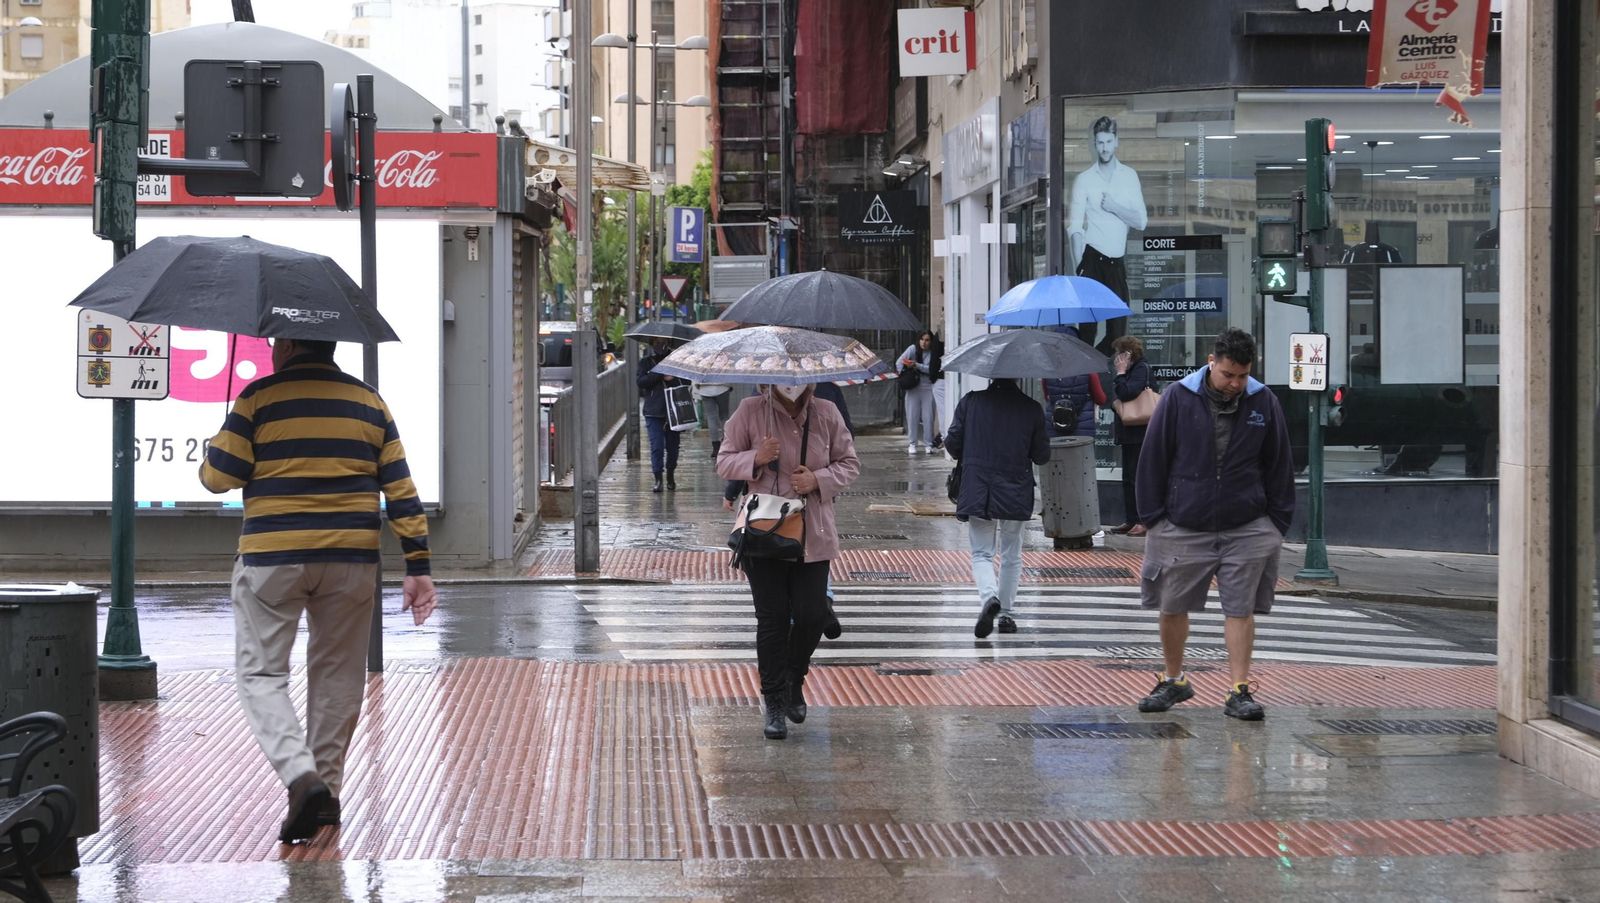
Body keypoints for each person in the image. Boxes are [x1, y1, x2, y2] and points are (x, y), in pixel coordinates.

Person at [198, 336, 436, 843]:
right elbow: (400, 490)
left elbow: (218, 477)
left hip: (273, 560)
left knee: (261, 674)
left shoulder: (257, 399)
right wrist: (417, 565)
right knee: (338, 678)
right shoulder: (370, 404)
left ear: (285, 344)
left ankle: (300, 776)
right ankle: (324, 795)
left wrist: (221, 439)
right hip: (351, 560)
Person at [1135, 328, 1294, 721]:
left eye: (1242, 376)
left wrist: (1275, 524)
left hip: (1247, 524)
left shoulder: (1264, 401)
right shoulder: (1177, 397)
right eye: (1228, 375)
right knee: (1171, 605)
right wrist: (1154, 518)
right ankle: (1174, 680)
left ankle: (1239, 690)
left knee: (1240, 609)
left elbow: (1279, 464)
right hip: (1183, 523)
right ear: (1211, 362)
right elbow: (1153, 457)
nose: (1235, 384)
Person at [717, 382, 859, 740]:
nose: (792, 386)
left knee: (812, 614)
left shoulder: (826, 412)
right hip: (763, 535)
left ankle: (795, 675)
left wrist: (818, 479)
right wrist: (756, 458)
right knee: (773, 618)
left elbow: (849, 463)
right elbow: (724, 461)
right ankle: (775, 702)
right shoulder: (749, 411)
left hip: (813, 533)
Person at [945, 377, 1051, 638]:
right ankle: (1005, 614)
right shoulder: (1031, 408)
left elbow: (952, 444)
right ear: (1017, 376)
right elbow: (1042, 456)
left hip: (977, 487)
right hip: (1015, 489)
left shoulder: (971, 402)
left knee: (982, 553)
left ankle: (989, 597)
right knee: (1012, 551)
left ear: (990, 375)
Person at [1068, 116, 1146, 354]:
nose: (1104, 148)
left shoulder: (1129, 176)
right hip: (1091, 260)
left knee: (1117, 336)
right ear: (1095, 143)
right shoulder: (1084, 179)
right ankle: (1083, 380)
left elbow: (1141, 221)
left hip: (1116, 264)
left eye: (1108, 142)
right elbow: (1074, 227)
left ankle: (1092, 367)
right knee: (1088, 330)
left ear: (1116, 142)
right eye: (1100, 142)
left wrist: (1114, 207)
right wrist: (1079, 267)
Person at [1109, 335, 1154, 537]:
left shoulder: (1141, 368)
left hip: (1140, 432)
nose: (1116, 358)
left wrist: (1120, 373)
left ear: (1128, 354)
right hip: (1130, 432)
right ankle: (1131, 518)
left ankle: (1142, 520)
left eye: (1119, 353)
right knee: (1127, 477)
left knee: (1138, 478)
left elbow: (1127, 393)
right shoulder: (1133, 370)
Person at [1042, 327, 1106, 438]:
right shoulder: (1088, 370)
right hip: (1082, 431)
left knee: (1056, 455)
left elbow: (1047, 397)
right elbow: (1101, 399)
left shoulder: (1048, 371)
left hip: (1055, 427)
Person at [637, 339, 682, 493]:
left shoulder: (678, 360)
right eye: (656, 342)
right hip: (653, 411)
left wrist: (673, 377)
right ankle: (658, 479)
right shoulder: (645, 363)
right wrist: (660, 373)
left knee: (672, 447)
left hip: (674, 411)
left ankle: (670, 475)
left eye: (663, 342)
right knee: (657, 446)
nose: (660, 345)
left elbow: (686, 381)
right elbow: (641, 382)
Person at [900, 331, 938, 454]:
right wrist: (907, 370)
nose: (924, 343)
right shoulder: (913, 349)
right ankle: (912, 443)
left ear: (931, 342)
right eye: (922, 339)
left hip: (927, 387)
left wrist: (917, 365)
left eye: (927, 340)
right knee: (912, 416)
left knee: (928, 416)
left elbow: (932, 369)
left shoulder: (933, 352)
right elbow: (899, 362)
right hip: (913, 387)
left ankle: (928, 443)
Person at [695, 381, 734, 459]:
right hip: (722, 386)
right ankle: (726, 444)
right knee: (724, 416)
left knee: (711, 417)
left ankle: (715, 448)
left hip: (705, 388)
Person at [929, 334, 947, 450]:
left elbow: (934, 359)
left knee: (943, 410)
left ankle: (944, 436)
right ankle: (943, 436)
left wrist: (933, 377)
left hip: (940, 378)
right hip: (943, 377)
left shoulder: (940, 335)